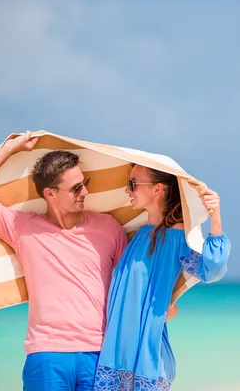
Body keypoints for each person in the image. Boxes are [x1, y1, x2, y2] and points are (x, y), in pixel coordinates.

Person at [0, 131, 129, 391]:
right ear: (50, 193)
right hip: (47, 353)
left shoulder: (109, 228)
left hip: (99, 352)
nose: (85, 191)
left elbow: (130, 282)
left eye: (85, 182)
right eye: (76, 188)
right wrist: (9, 149)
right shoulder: (22, 227)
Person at [93, 163, 231, 391]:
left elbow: (211, 270)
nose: (128, 190)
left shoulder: (177, 235)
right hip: (116, 356)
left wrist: (215, 219)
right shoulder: (140, 234)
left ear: (158, 189)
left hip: (145, 357)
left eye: (133, 184)